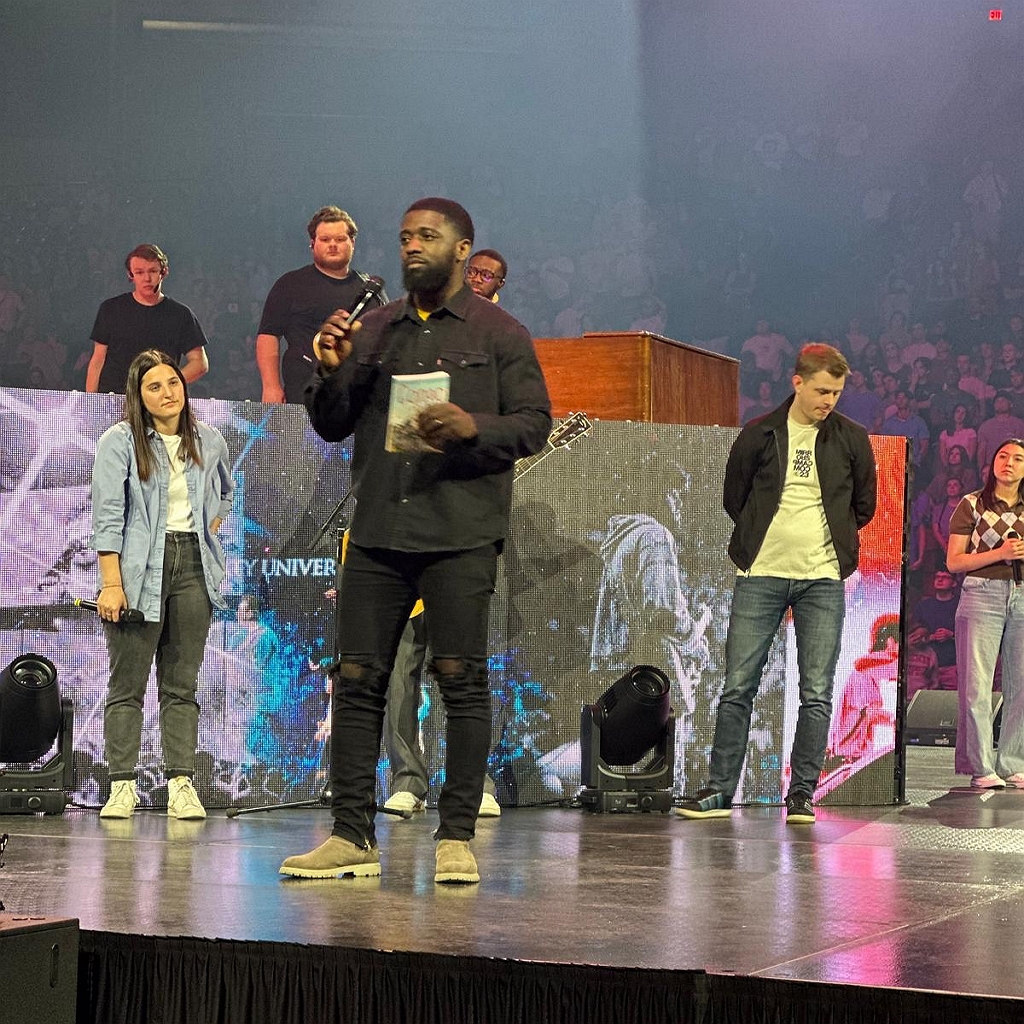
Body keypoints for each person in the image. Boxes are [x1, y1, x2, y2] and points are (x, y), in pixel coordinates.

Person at [280, 198, 551, 883]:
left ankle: (455, 836)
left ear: (462, 249)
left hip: (459, 532)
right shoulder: (373, 329)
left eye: (427, 236)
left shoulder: (500, 333)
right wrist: (331, 369)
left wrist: (473, 428)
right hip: (379, 531)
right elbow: (332, 424)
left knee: (461, 681)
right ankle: (351, 835)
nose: (412, 246)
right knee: (357, 681)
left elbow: (534, 423)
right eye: (405, 237)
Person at [676, 343, 877, 824]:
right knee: (737, 686)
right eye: (822, 391)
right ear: (798, 382)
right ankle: (719, 791)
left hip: (821, 578)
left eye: (836, 393)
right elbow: (735, 496)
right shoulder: (760, 432)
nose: (829, 400)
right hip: (761, 573)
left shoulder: (851, 438)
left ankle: (802, 794)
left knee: (817, 691)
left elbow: (864, 505)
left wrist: (832, 546)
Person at [381, 245, 512, 821]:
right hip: (403, 529)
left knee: (464, 669)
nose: (479, 281)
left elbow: (520, 428)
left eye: (490, 277)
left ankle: (471, 781)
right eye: (474, 272)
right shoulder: (402, 339)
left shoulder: (501, 345)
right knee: (400, 670)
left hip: (462, 538)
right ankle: (408, 779)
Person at [91, 349, 234, 819]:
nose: (168, 392)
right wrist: (111, 583)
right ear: (139, 395)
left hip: (193, 566)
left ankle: (181, 786)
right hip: (137, 570)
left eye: (173, 382)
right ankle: (122, 786)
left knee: (181, 685)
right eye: (154, 386)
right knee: (127, 684)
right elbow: (107, 517)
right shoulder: (119, 441)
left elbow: (225, 492)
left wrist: (209, 526)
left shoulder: (209, 439)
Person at [946, 438, 1024, 789]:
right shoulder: (972, 504)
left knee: (1020, 684)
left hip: (1022, 594)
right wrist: (1000, 553)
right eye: (1003, 456)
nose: (1009, 463)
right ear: (992, 463)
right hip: (982, 593)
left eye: (1018, 459)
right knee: (977, 683)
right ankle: (981, 767)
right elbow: (954, 561)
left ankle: (1013, 762)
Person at [255, 206, 388, 403]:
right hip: (305, 394)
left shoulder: (370, 290)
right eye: (325, 239)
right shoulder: (290, 284)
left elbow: (386, 340)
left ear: (352, 243)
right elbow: (268, 335)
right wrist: (271, 386)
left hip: (360, 397)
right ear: (312, 244)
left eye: (340, 239)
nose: (333, 245)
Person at [86, 245, 209, 394]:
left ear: (163, 272)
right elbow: (98, 359)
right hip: (114, 397)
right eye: (139, 272)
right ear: (130, 275)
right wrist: (90, 401)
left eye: (152, 271)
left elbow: (199, 362)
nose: (147, 278)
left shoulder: (181, 315)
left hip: (158, 400)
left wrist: (167, 383)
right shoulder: (111, 308)